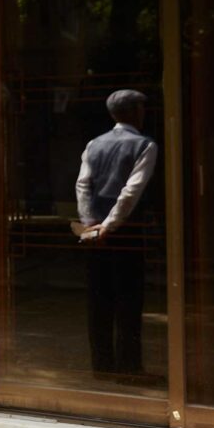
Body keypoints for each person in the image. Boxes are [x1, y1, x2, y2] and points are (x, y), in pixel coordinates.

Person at [75, 89, 158, 379]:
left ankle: (101, 366)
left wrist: (91, 223)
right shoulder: (144, 145)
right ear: (135, 112)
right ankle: (129, 367)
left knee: (98, 300)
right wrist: (110, 225)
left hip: (94, 231)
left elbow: (83, 185)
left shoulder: (94, 144)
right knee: (128, 300)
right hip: (126, 233)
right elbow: (131, 191)